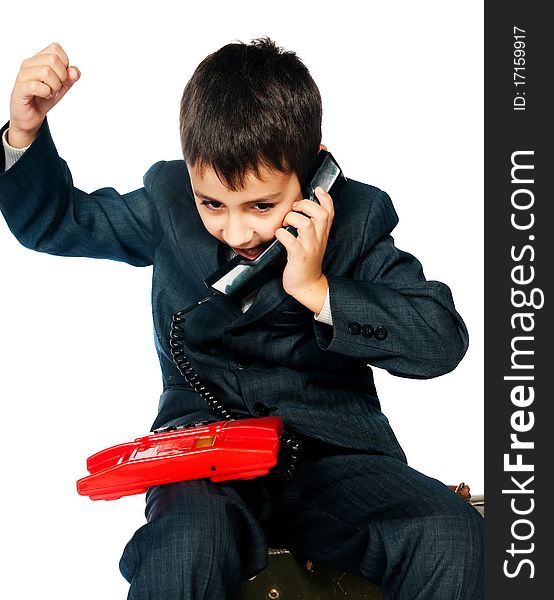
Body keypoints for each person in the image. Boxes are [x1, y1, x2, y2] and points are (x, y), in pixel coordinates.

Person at [0, 38, 484, 599]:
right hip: (202, 453)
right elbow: (58, 222)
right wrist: (24, 131)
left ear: (312, 175)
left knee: (450, 531)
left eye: (261, 205)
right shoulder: (166, 203)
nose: (236, 232)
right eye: (212, 204)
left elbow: (441, 339)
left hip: (331, 456)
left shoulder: (357, 218)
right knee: (187, 545)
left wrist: (319, 290)